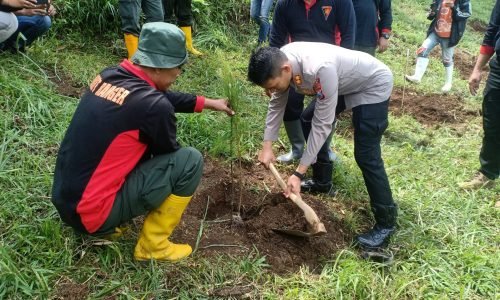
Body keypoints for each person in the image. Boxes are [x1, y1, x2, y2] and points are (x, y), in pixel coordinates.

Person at [51, 22, 234, 261]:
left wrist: (208, 103)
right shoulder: (154, 107)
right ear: (160, 67)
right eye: (179, 67)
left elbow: (157, 97)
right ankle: (153, 246)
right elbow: (166, 157)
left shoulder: (109, 75)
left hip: (66, 203)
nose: (179, 74)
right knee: (189, 162)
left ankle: (109, 222)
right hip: (92, 214)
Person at [248, 44, 398, 249]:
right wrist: (267, 146)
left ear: (286, 69)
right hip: (342, 82)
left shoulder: (319, 69)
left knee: (366, 154)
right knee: (307, 120)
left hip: (372, 84)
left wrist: (298, 173)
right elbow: (277, 104)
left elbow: (323, 124)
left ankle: (386, 223)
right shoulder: (280, 60)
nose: (269, 92)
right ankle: (322, 181)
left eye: (272, 86)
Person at [269, 0, 356, 194]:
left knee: (322, 113)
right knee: (290, 103)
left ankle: (322, 151)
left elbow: (349, 34)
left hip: (328, 66)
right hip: (295, 64)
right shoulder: (285, 5)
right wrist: (272, 73)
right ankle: (298, 149)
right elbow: (276, 40)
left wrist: (343, 72)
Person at [461, 0, 499, 190]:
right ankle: (487, 174)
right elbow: (492, 32)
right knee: (492, 123)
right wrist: (477, 69)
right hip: (499, 69)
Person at [405, 0, 471, 93]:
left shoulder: (463, 1)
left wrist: (454, 7)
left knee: (447, 60)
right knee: (422, 50)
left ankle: (448, 83)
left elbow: (466, 14)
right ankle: (417, 77)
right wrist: (431, 13)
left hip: (450, 36)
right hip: (436, 32)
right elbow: (433, 13)